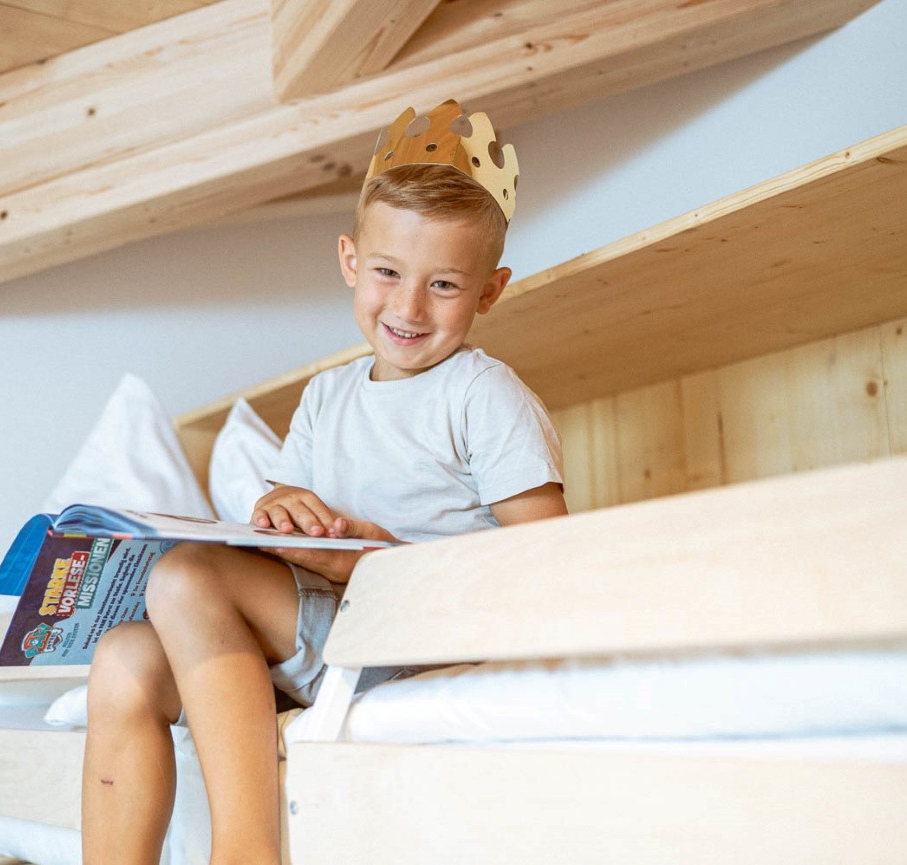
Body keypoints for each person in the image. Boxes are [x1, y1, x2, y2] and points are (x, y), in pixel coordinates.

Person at [80, 99, 567, 865]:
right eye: (386, 272)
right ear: (349, 261)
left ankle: (245, 852)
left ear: (490, 289)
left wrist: (371, 562)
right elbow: (281, 533)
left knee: (184, 578)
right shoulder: (326, 397)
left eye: (443, 284)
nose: (407, 307)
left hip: (412, 641)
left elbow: (546, 568)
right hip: (322, 634)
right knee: (122, 657)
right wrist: (276, 510)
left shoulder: (482, 393)